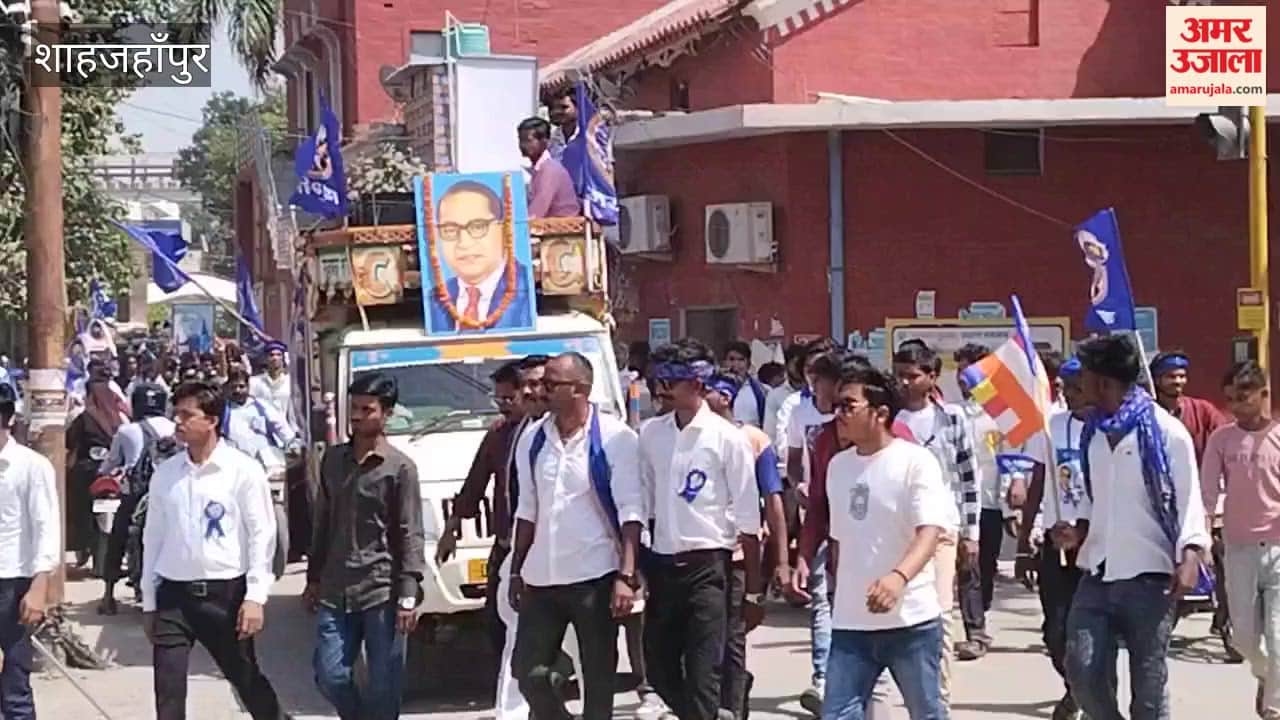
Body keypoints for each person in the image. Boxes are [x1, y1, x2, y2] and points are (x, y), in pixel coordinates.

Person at [1055, 335, 1209, 720]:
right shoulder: (1092, 432)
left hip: (1150, 577)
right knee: (1083, 671)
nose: (1076, 385)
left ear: (1104, 382)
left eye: (1085, 377)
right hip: (1098, 571)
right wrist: (1077, 530)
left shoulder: (1165, 432)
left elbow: (1190, 498)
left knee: (1149, 689)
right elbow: (1095, 498)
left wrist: (1191, 556)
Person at [508, 353, 643, 720]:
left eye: (550, 385)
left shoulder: (617, 439)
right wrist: (517, 570)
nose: (539, 391)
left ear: (580, 390)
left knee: (598, 682)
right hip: (542, 578)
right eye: (538, 384)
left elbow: (632, 512)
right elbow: (527, 509)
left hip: (594, 579)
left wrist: (626, 577)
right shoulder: (533, 438)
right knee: (529, 675)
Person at [142, 381, 287, 720]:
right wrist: (150, 601)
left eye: (187, 415)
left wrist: (255, 597)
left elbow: (261, 535)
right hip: (174, 597)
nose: (178, 422)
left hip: (225, 595)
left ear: (212, 421)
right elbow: (153, 539)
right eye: (175, 413)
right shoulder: (166, 475)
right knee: (168, 692)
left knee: (247, 679)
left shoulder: (242, 471)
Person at [637, 339, 764, 720]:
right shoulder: (650, 434)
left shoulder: (727, 439)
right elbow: (643, 503)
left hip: (709, 567)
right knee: (657, 666)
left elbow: (748, 520)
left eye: (671, 382)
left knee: (703, 668)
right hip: (662, 565)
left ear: (696, 384)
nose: (662, 390)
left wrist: (754, 591)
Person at [822, 363, 953, 720]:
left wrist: (898, 577)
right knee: (837, 714)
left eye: (849, 406)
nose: (839, 415)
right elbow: (840, 541)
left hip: (911, 622)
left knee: (926, 713)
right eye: (837, 406)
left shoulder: (916, 462)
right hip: (851, 624)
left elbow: (930, 532)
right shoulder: (838, 467)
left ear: (880, 413)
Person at [305, 372, 426, 720]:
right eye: (353, 408)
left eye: (366, 409)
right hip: (335, 589)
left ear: (386, 414)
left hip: (381, 591)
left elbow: (410, 533)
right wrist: (313, 578)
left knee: (384, 683)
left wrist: (408, 594)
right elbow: (323, 524)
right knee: (331, 675)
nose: (357, 416)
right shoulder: (332, 460)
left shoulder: (399, 468)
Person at [891, 342, 975, 708]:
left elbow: (968, 478)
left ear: (931, 377)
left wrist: (971, 534)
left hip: (941, 529)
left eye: (913, 376)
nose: (906, 383)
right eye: (900, 376)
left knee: (939, 615)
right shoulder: (888, 418)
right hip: (897, 529)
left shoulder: (952, 418)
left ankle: (939, 700)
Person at [705, 373, 789, 720]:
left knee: (734, 635)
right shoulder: (686, 437)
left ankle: (734, 705)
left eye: (708, 389)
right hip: (697, 552)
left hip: (741, 553)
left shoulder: (754, 440)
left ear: (724, 397)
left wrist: (781, 559)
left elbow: (773, 500)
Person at [1202, 360, 1280, 718]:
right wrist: (1201, 536)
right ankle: (1265, 675)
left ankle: (1273, 707)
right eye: (1231, 399)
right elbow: (1207, 493)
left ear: (1264, 395)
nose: (1237, 407)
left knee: (1279, 640)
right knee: (1243, 638)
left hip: (1278, 549)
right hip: (1238, 549)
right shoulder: (1222, 440)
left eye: (1244, 398)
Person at [1013, 356, 1089, 720]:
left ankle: (1092, 694)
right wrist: (1025, 540)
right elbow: (1038, 485)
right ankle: (1075, 686)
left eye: (1077, 388)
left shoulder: (1109, 430)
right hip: (1055, 544)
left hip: (1095, 544)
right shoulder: (1049, 428)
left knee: (1090, 632)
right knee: (1056, 632)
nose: (1070, 396)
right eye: (1064, 389)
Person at [438, 361, 525, 661]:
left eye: (508, 399)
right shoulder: (498, 434)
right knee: (496, 621)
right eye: (497, 399)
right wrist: (451, 531)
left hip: (538, 551)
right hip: (504, 546)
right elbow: (474, 486)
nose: (502, 406)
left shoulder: (544, 436)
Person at [1149, 350, 1233, 655]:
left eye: (1182, 376)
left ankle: (1227, 620)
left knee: (1220, 556)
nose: (1178, 382)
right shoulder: (1147, 413)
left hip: (1199, 495)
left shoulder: (1202, 410)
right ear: (1157, 380)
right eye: (1171, 376)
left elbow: (1223, 441)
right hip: (1156, 500)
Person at [782, 346, 841, 715]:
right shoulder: (797, 411)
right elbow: (791, 463)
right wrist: (798, 486)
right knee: (820, 599)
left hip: (854, 521)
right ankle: (821, 678)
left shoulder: (853, 411)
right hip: (816, 516)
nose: (812, 384)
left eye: (818, 377)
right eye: (809, 376)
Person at [951, 343, 1014, 661]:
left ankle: (980, 618)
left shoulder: (1002, 412)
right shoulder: (952, 413)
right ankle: (975, 630)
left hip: (991, 503)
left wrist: (1012, 501)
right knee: (968, 568)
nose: (964, 378)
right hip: (960, 505)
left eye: (971, 371)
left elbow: (1013, 458)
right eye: (961, 371)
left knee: (985, 567)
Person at [0, 382, 58, 720]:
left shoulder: (30, 467)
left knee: (13, 687)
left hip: (11, 585)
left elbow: (46, 527)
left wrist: (39, 587)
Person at [97, 383, 177, 615]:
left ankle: (109, 595)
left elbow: (111, 463)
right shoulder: (174, 429)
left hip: (136, 494)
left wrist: (103, 471)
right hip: (167, 494)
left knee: (117, 538)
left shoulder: (127, 431)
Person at [428, 180, 535, 332]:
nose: (464, 243)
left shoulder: (527, 289)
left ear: (504, 229)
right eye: (450, 230)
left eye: (478, 226)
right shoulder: (434, 299)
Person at [66, 377, 128, 567]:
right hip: (112, 475)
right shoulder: (120, 419)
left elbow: (68, 442)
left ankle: (81, 545)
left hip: (86, 475)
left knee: (77, 508)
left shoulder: (84, 418)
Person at [223, 367, 300, 476]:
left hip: (265, 462)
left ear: (248, 387)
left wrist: (292, 445)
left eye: (241, 386)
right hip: (235, 462)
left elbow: (281, 427)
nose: (237, 390)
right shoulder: (224, 411)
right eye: (234, 387)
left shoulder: (261, 406)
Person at [518, 117, 580, 219]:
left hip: (562, 229)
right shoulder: (539, 168)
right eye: (521, 140)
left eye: (528, 141)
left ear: (545, 142)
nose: (522, 145)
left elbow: (536, 212)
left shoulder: (550, 169)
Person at [724, 341, 768, 429]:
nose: (736, 364)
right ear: (725, 362)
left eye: (741, 360)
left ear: (748, 363)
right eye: (732, 359)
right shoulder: (716, 390)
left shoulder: (761, 390)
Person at [547, 86, 578, 160]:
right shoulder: (551, 139)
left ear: (578, 109)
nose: (558, 111)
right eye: (555, 107)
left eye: (564, 107)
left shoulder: (588, 138)